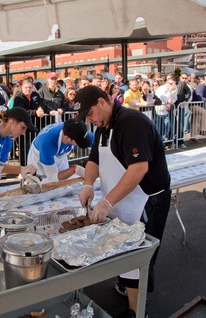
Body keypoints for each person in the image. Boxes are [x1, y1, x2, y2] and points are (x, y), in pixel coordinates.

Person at [75, 85, 171, 318]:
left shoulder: (131, 122)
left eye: (90, 114)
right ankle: (126, 286)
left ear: (102, 102)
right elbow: (93, 160)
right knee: (122, 245)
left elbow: (138, 169)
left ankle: (137, 310)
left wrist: (107, 201)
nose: (89, 120)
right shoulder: (103, 127)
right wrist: (88, 184)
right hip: (120, 198)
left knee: (137, 253)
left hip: (146, 199)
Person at [27, 119, 93, 182]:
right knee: (45, 185)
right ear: (67, 138)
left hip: (59, 156)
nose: (79, 145)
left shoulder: (79, 131)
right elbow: (53, 177)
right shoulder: (47, 144)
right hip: (39, 158)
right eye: (78, 142)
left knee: (65, 185)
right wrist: (75, 169)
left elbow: (97, 149)